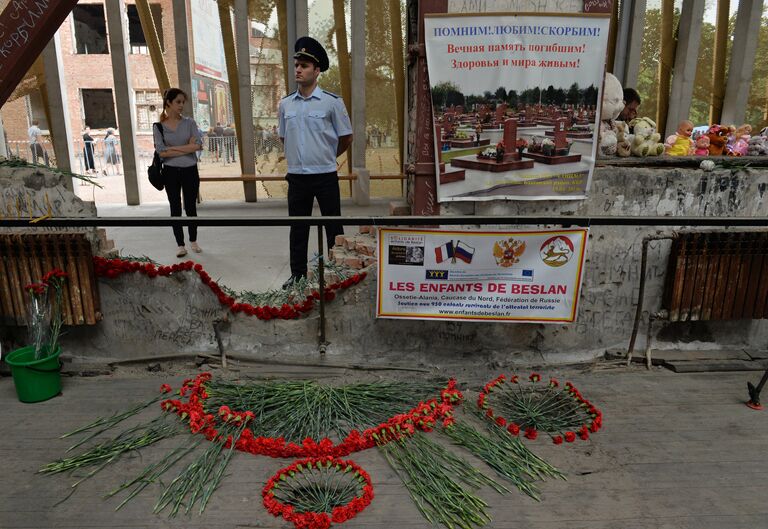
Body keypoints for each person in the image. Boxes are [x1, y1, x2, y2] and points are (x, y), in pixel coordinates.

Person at [278, 36, 353, 288]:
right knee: (297, 230)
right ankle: (297, 276)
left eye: (305, 65)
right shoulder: (286, 104)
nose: (298, 69)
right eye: (297, 64)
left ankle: (337, 274)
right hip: (297, 176)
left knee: (334, 228)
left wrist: (326, 156)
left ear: (317, 70)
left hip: (325, 176)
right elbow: (283, 136)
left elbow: (346, 137)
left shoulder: (332, 102)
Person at [153, 88, 204, 258]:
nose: (181, 105)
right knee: (175, 208)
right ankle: (180, 245)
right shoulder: (159, 127)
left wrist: (172, 148)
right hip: (170, 172)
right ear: (168, 103)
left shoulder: (190, 123)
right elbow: (161, 152)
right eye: (178, 102)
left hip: (190, 170)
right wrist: (186, 148)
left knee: (191, 207)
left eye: (183, 102)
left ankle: (194, 241)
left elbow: (197, 145)